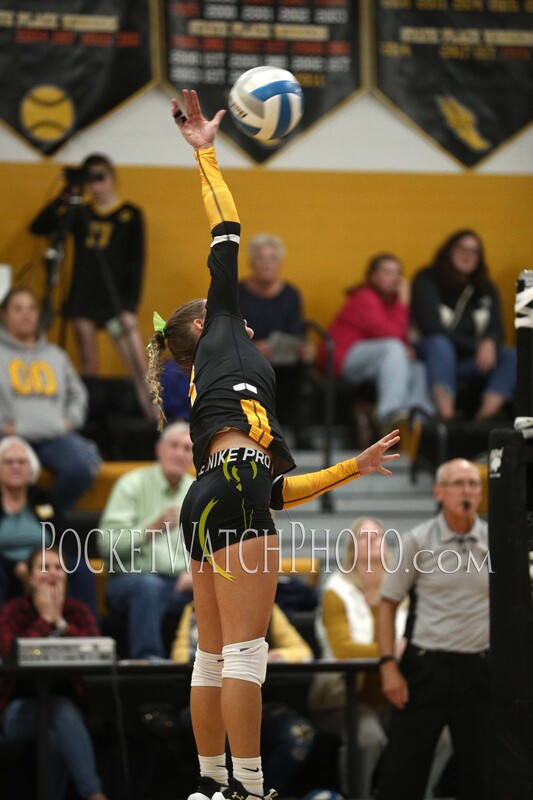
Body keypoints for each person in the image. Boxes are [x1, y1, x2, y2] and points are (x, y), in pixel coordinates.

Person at [145, 89, 400, 800]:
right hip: (229, 491)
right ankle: (249, 788)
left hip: (214, 493)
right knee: (245, 656)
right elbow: (225, 222)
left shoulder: (218, 384)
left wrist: (357, 466)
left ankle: (209, 784)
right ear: (209, 320)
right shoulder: (223, 328)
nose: (250, 319)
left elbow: (276, 490)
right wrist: (206, 151)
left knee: (213, 655)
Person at [376, 458, 491, 800]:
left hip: (479, 670)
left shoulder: (497, 541)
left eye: (473, 484)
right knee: (403, 774)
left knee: (483, 774)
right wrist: (388, 667)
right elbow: (388, 603)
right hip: (426, 670)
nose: (467, 491)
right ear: (438, 492)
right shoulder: (416, 541)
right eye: (459, 483)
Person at [29, 153, 154, 420]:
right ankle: (90, 420)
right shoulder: (80, 211)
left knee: (138, 364)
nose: (95, 185)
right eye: (90, 179)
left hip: (116, 300)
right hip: (83, 297)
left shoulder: (130, 214)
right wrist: (66, 194)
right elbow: (39, 227)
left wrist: (130, 306)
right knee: (89, 362)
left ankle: (156, 421)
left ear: (112, 178)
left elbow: (137, 262)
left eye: (100, 177)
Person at [172, 600, 316, 794]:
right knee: (224, 666)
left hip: (261, 703)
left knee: (300, 733)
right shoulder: (193, 608)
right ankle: (236, 790)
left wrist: (275, 655)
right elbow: (180, 655)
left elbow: (302, 651)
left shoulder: (269, 607)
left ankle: (260, 789)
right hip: (210, 700)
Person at [0, 546, 107, 800]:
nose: (52, 574)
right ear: (29, 577)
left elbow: (96, 653)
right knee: (59, 708)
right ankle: (94, 794)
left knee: (55, 732)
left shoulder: (77, 612)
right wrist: (45, 619)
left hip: (72, 714)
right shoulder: (12, 611)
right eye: (43, 567)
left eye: (58, 568)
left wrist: (60, 624)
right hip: (17, 714)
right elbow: (11, 654)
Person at [97, 421, 195, 659]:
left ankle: (213, 664)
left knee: (222, 585)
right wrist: (149, 529)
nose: (180, 453)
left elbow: (214, 546)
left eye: (187, 448)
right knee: (148, 586)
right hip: (130, 581)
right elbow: (106, 546)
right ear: (159, 449)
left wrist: (197, 572)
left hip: (179, 585)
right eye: (174, 446)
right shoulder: (131, 485)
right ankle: (148, 660)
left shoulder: (198, 491)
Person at [0, 287, 101, 511]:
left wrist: (70, 420)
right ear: (5, 315)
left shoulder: (56, 355)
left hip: (54, 436)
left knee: (83, 465)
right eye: (18, 309)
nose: (26, 314)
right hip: (9, 437)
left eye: (31, 308)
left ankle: (43, 519)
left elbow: (79, 395)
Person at [411, 229, 516, 421]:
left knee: (510, 355)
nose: (467, 255)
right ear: (449, 251)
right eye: (462, 249)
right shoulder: (427, 278)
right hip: (432, 355)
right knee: (440, 344)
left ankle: (483, 420)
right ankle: (447, 418)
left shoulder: (485, 288)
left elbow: (497, 327)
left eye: (474, 251)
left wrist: (491, 342)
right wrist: (478, 347)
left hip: (469, 361)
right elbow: (431, 325)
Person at [327, 253, 434, 429]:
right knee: (393, 348)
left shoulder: (392, 302)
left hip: (373, 360)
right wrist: (404, 302)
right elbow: (389, 334)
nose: (394, 278)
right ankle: (390, 415)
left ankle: (417, 421)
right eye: (387, 272)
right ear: (373, 276)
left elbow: (398, 337)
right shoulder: (365, 296)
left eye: (397, 273)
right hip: (342, 357)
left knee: (417, 368)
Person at [0, 435, 97, 615]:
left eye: (22, 462)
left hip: (46, 565)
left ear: (31, 468)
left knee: (80, 566)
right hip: (7, 569)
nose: (16, 467)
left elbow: (66, 538)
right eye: (9, 462)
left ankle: (90, 635)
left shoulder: (43, 499)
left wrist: (53, 564)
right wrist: (16, 567)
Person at [238, 233, 317, 448]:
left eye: (272, 259)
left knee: (305, 365)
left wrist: (303, 347)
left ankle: (302, 434)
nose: (267, 265)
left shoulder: (291, 294)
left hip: (284, 360)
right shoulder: (237, 293)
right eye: (261, 259)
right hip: (246, 358)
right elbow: (228, 331)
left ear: (279, 263)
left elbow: (295, 331)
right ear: (251, 263)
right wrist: (253, 347)